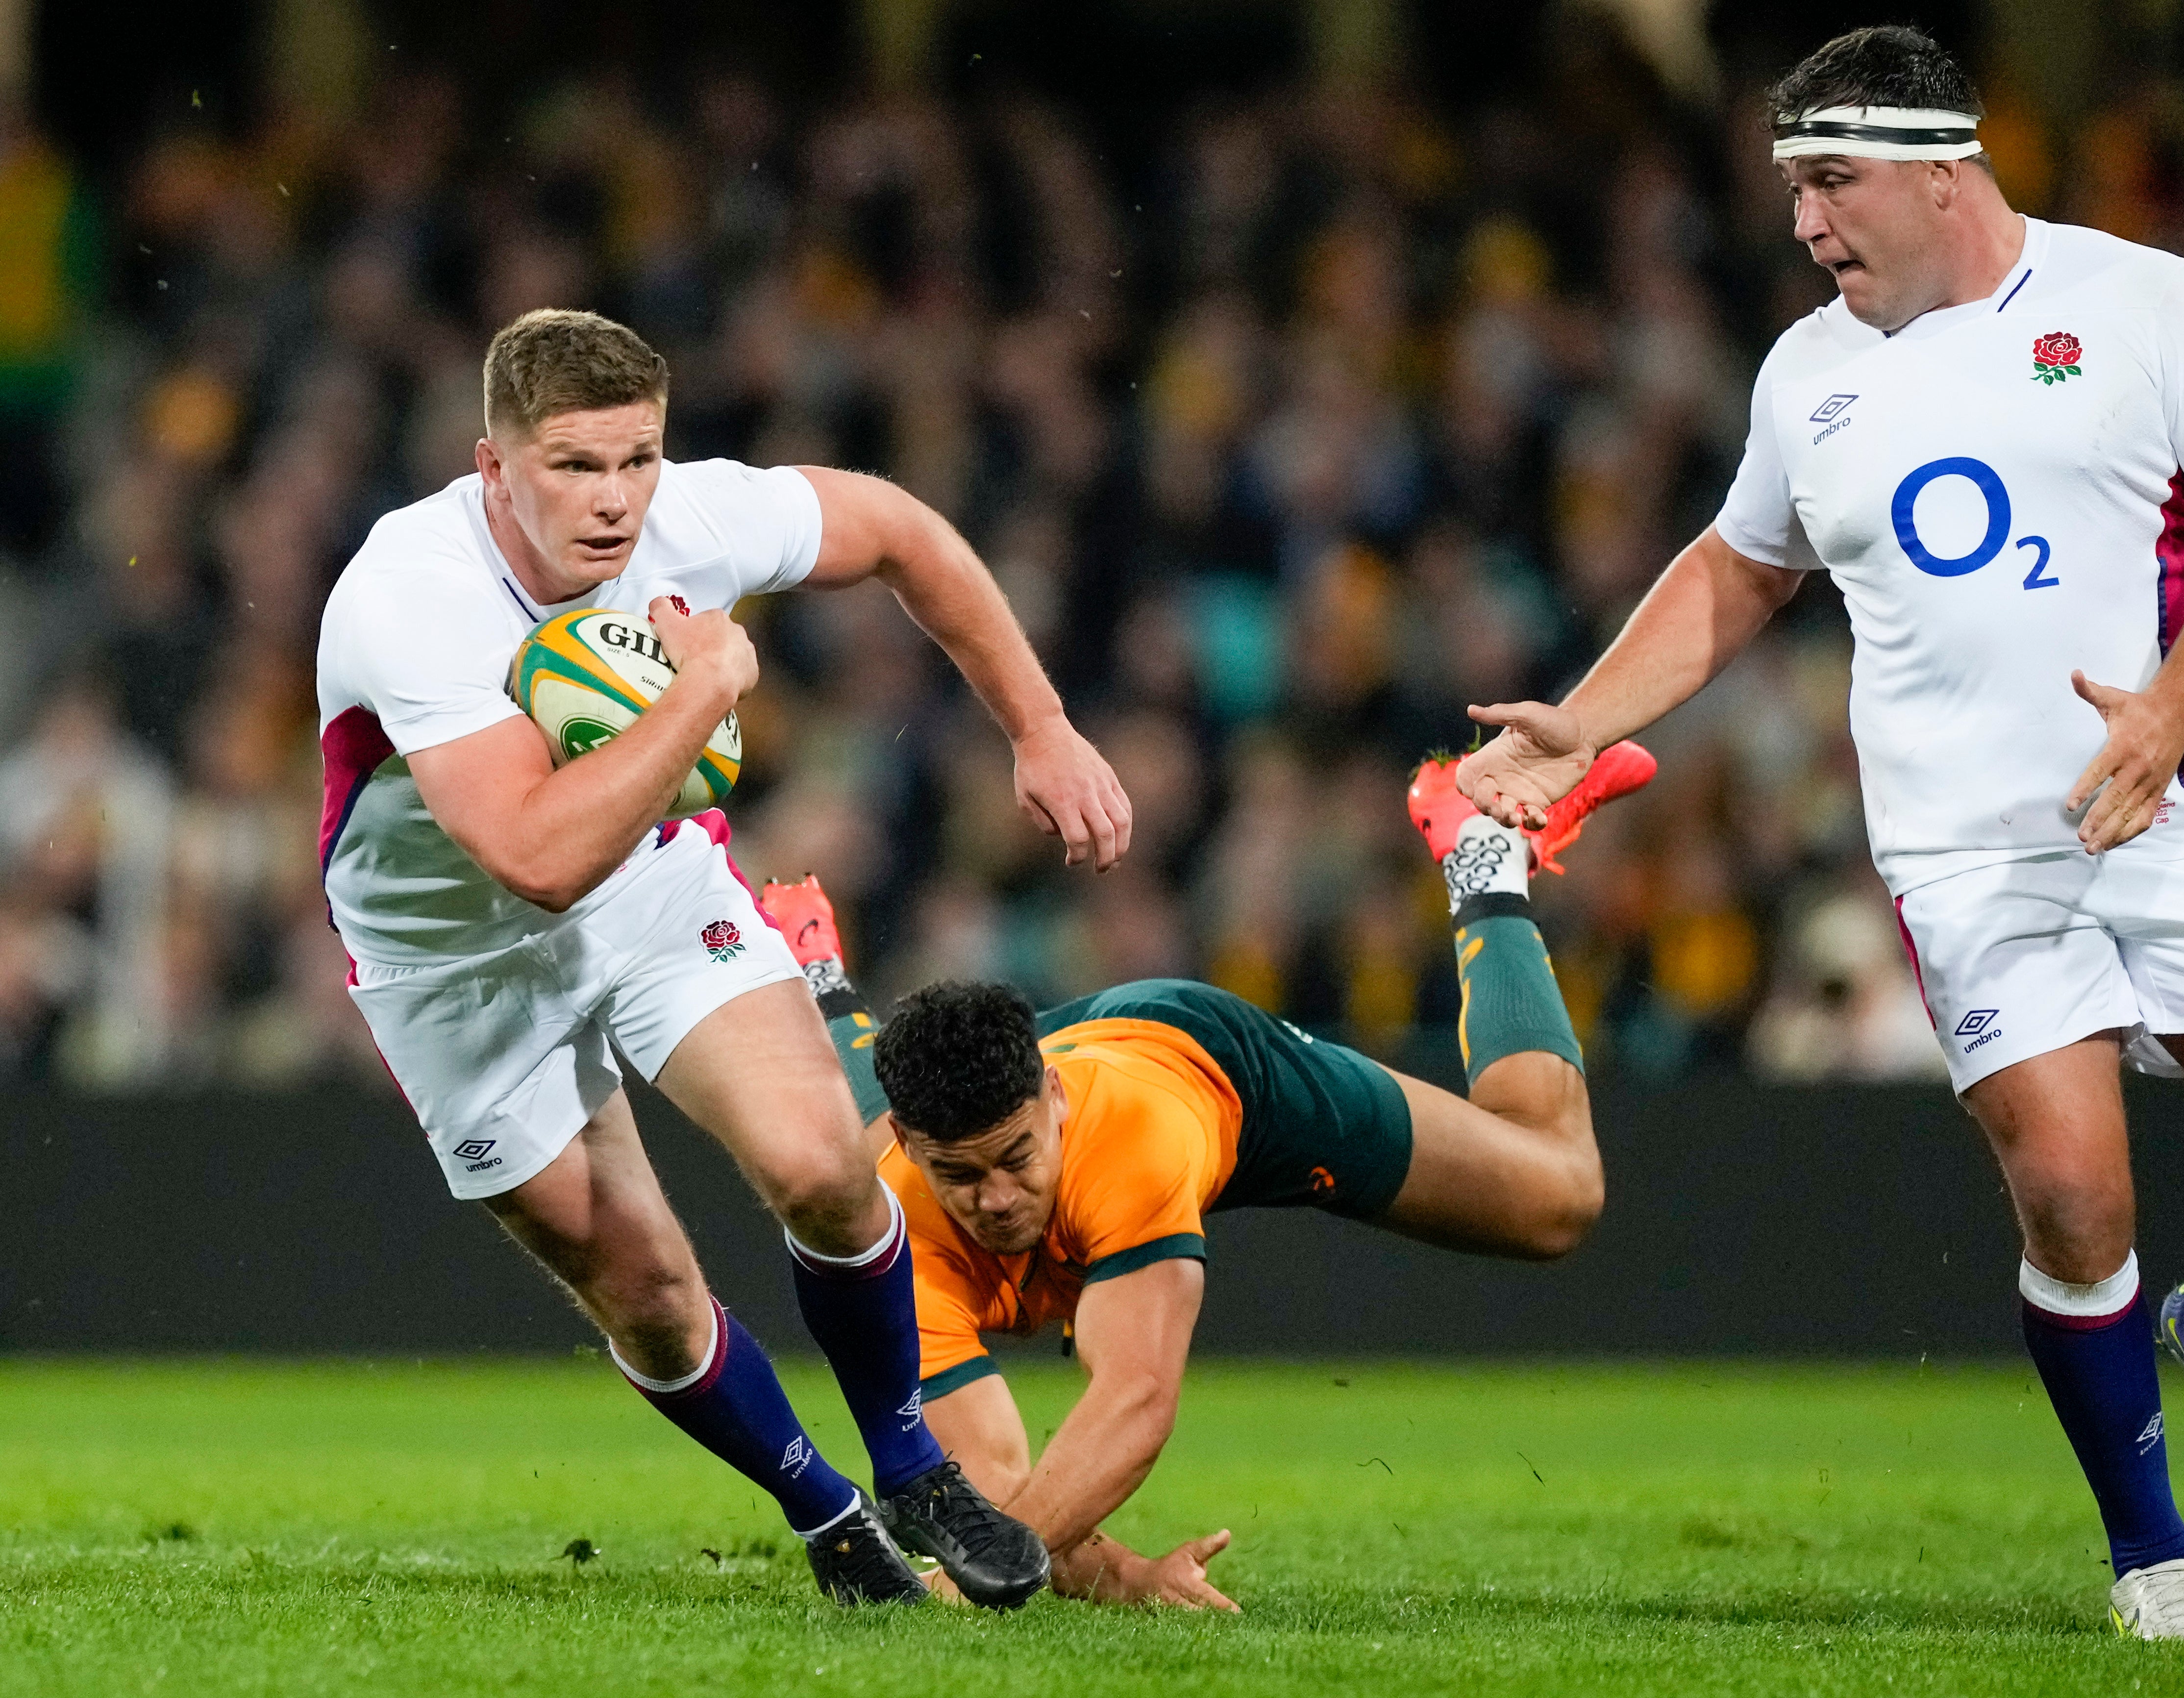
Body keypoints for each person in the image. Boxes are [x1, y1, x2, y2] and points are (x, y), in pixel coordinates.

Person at [1451, 25, 2184, 1643]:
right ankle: (2149, 1554)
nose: (1807, 226)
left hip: (2171, 803)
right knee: (2074, 1194)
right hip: (1964, 852)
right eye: (1794, 192)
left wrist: (2167, 710)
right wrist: (1587, 716)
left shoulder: (2142, 303)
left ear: (1942, 165)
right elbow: (1740, 569)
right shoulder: (1808, 374)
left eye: (1832, 183)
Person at [315, 308, 1135, 1609]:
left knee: (819, 1162)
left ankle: (915, 1466)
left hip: (649, 886)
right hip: (451, 964)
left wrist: (1038, 728)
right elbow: (532, 857)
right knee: (642, 1290)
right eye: (573, 466)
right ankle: (824, 1509)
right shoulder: (411, 596)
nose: (613, 501)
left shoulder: (691, 519)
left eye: (636, 458)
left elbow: (903, 533)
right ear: (492, 468)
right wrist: (704, 687)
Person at [756, 742, 1654, 1607]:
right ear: (920, 1156)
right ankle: (820, 975)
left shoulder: (1129, 1143)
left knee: (1557, 1199)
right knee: (869, 1138)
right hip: (1018, 1084)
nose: (995, 1199)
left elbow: (1135, 1403)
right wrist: (1125, 1579)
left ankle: (1482, 853)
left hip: (1209, 1067)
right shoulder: (897, 1229)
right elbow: (995, 1494)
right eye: (959, 1173)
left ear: (1053, 1103)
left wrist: (962, 1587)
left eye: (1015, 1159)